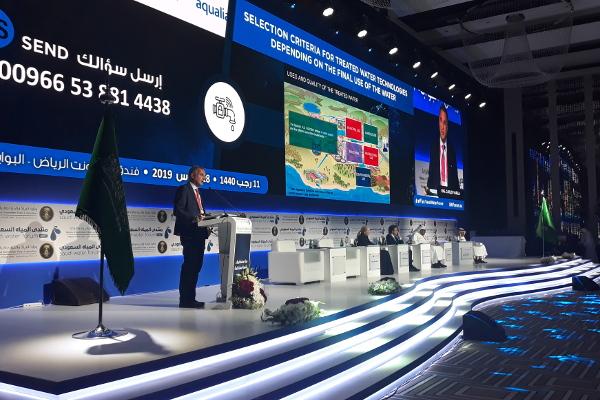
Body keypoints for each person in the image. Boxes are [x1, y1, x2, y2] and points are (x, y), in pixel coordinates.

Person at [174, 166, 209, 308]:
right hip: (189, 234)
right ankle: (185, 300)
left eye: (204, 175)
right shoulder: (184, 189)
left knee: (196, 267)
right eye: (201, 174)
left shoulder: (198, 193)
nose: (204, 178)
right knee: (189, 267)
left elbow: (199, 212)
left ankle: (191, 299)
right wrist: (194, 218)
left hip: (199, 234)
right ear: (193, 176)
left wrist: (206, 219)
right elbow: (178, 210)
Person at [426, 106, 460, 194]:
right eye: (440, 121)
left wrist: (458, 196)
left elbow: (455, 179)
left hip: (449, 194)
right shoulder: (433, 146)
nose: (442, 127)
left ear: (447, 126)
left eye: (445, 123)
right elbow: (431, 174)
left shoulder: (452, 150)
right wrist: (428, 191)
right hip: (436, 193)